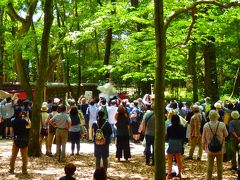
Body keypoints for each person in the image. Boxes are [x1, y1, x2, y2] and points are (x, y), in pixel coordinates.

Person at [202, 110, 228, 180]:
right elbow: (226, 134)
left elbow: (203, 138)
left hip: (210, 148)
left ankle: (208, 178)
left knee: (210, 165)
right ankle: (220, 178)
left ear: (209, 116)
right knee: (219, 165)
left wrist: (203, 147)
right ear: (217, 116)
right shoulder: (222, 124)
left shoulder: (206, 125)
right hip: (220, 148)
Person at [9, 106, 29, 174]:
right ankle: (24, 170)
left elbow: (12, 129)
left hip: (16, 139)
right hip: (24, 138)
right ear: (20, 113)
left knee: (14, 155)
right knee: (24, 155)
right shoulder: (23, 120)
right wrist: (27, 117)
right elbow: (29, 125)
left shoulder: (12, 120)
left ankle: (11, 169)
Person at [166, 114, 185, 179]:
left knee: (169, 160)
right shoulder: (181, 127)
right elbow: (183, 137)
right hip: (179, 143)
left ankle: (169, 174)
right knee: (179, 159)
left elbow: (168, 136)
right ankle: (179, 173)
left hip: (171, 142)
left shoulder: (169, 127)